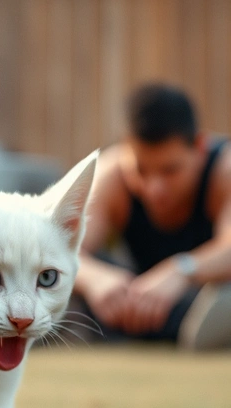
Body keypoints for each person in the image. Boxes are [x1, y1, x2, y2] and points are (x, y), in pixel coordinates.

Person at [75, 84, 231, 349]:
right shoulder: (110, 175)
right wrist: (94, 279)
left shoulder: (224, 169)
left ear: (200, 147)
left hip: (205, 296)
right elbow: (60, 249)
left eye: (170, 170)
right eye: (141, 170)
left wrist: (181, 271)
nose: (154, 188)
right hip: (130, 302)